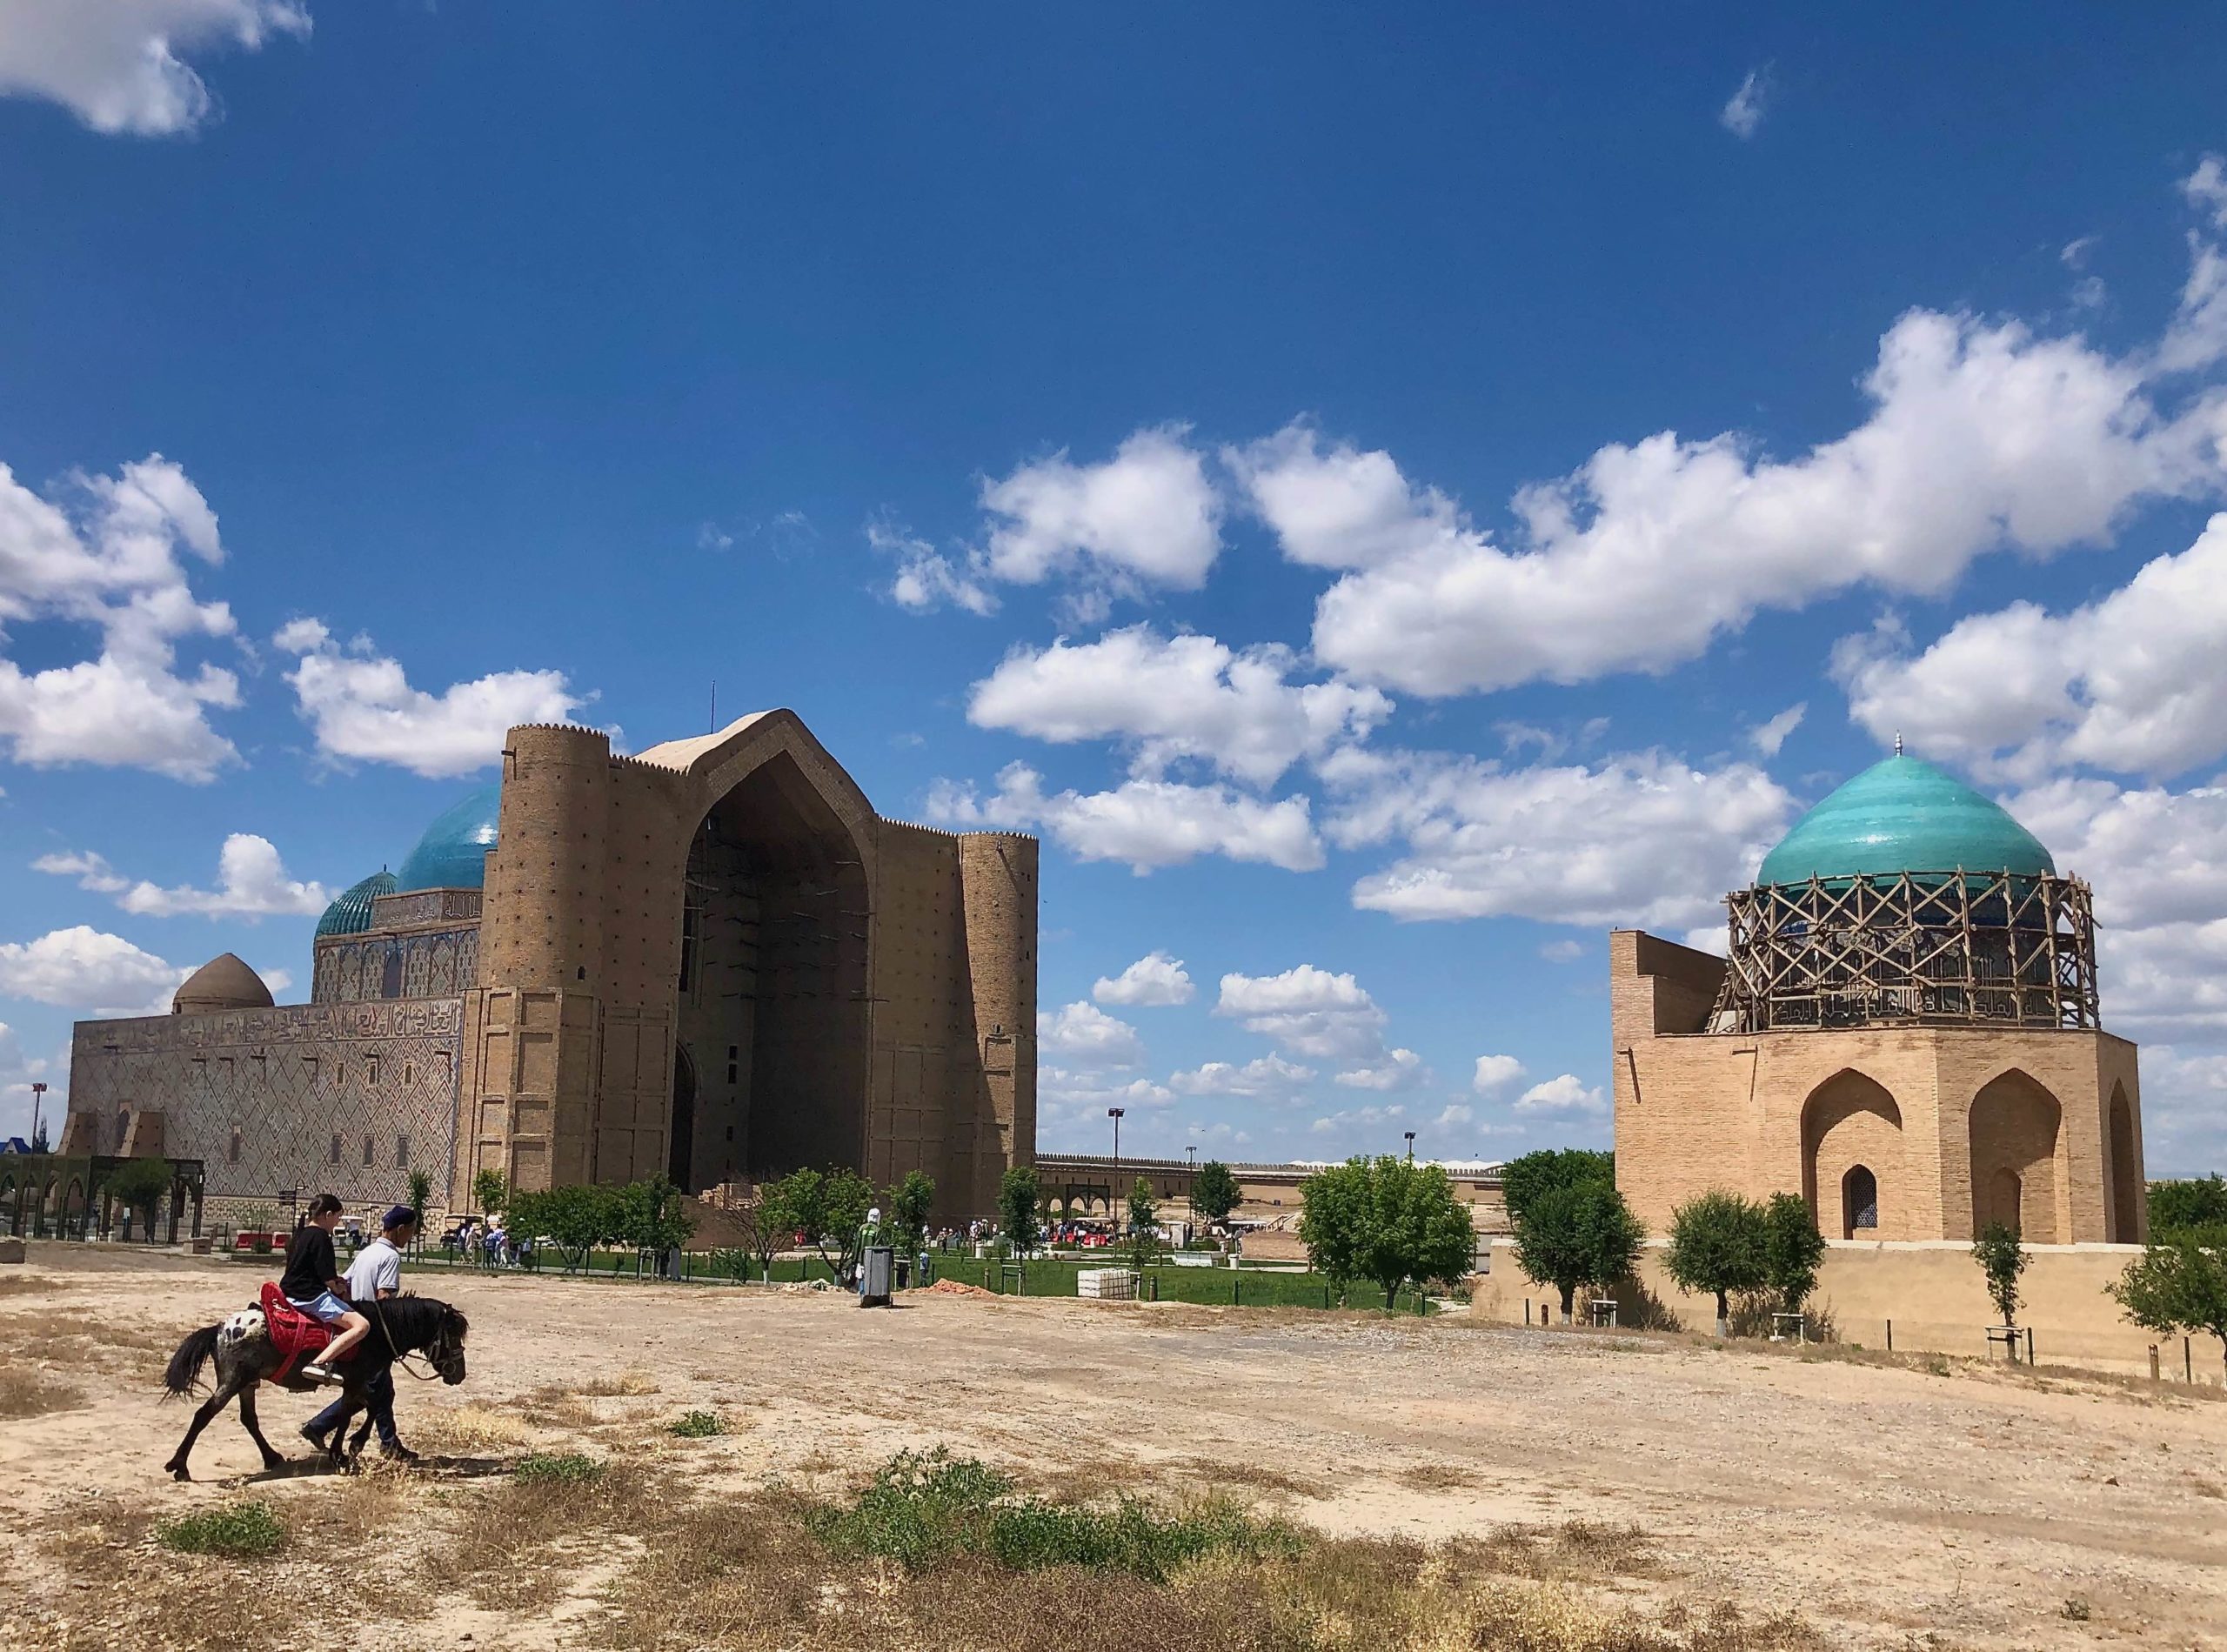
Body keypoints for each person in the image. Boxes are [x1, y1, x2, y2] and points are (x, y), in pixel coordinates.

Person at [304, 1205, 420, 1461]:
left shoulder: (367, 1252)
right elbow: (385, 1298)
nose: (410, 1237)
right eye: (410, 1231)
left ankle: (384, 1442)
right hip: (372, 1334)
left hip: (355, 1327)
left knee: (379, 1391)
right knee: (375, 1390)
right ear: (401, 1229)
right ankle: (323, 1427)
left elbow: (343, 1282)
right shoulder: (390, 1257)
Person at [280, 1193, 370, 1386]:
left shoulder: (301, 1233)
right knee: (362, 1326)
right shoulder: (320, 1236)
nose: (337, 1223)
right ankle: (320, 1362)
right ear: (328, 1214)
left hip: (290, 1291)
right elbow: (328, 1278)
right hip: (309, 1296)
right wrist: (341, 1290)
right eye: (337, 1217)